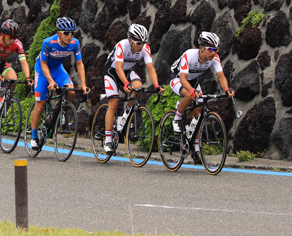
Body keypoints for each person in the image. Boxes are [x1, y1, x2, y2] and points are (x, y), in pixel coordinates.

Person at [169, 31, 235, 163]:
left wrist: (227, 89)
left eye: (215, 49)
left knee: (198, 113)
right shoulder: (189, 55)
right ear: (201, 48)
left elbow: (221, 76)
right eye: (211, 49)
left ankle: (196, 150)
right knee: (189, 95)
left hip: (193, 81)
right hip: (178, 79)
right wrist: (192, 91)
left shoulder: (214, 58)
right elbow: (183, 79)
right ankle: (176, 119)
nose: (213, 52)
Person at [98, 24, 164, 154]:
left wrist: (156, 85)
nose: (141, 45)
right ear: (130, 40)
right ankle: (107, 139)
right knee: (114, 102)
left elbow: (150, 68)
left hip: (127, 71)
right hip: (112, 72)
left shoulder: (145, 48)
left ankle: (124, 116)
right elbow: (118, 68)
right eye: (138, 42)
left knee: (138, 88)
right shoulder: (122, 45)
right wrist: (126, 83)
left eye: (143, 42)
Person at [29, 17, 89, 150]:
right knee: (40, 104)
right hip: (42, 70)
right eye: (66, 33)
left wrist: (84, 84)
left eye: (72, 33)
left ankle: (62, 110)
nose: (70, 36)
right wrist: (51, 81)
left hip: (58, 70)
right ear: (59, 33)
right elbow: (43, 64)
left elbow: (79, 64)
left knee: (71, 91)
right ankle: (34, 136)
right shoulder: (48, 43)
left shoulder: (74, 43)